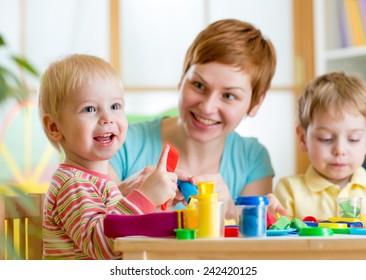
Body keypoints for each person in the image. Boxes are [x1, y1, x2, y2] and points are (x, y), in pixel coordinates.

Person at [109, 19, 287, 219]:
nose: (207, 107)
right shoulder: (119, 140)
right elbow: (88, 229)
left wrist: (231, 210)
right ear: (182, 78)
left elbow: (254, 243)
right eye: (199, 86)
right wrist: (125, 193)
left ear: (255, 104)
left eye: (229, 96)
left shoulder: (252, 158)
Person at [38, 54, 178, 260]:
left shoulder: (97, 182)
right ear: (55, 127)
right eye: (89, 109)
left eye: (115, 106)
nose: (107, 118)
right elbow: (105, 246)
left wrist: (157, 204)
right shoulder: (73, 185)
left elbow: (123, 227)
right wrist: (145, 197)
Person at [274, 71, 366, 220]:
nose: (340, 150)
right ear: (303, 139)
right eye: (326, 138)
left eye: (354, 139)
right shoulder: (289, 191)